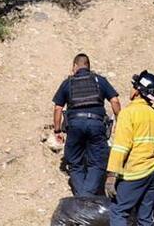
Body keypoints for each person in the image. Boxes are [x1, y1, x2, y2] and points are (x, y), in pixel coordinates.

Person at [52, 53, 122, 196]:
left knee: (75, 163)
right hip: (96, 124)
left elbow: (58, 108)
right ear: (88, 66)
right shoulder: (99, 80)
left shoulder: (68, 83)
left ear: (74, 66)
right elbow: (114, 100)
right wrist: (119, 121)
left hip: (75, 125)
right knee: (97, 163)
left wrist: (57, 129)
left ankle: (82, 198)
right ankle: (86, 196)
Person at [104, 71, 154, 226]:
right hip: (153, 175)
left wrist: (112, 175)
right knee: (145, 218)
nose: (131, 89)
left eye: (134, 86)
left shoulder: (128, 113)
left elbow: (120, 147)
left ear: (139, 91)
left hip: (134, 174)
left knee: (119, 212)